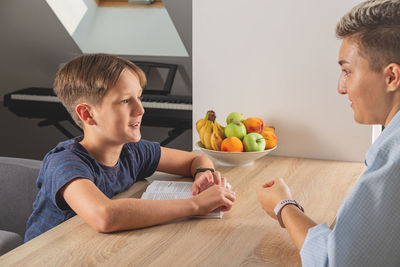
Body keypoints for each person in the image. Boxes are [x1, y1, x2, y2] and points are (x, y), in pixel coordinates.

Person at [24, 54, 236, 242]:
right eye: (125, 101)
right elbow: (105, 216)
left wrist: (204, 175)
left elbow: (194, 160)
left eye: (139, 97)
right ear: (87, 114)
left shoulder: (132, 151)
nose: (141, 109)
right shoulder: (64, 163)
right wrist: (196, 205)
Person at [256, 0, 400, 266]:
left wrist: (283, 206)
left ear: (391, 76)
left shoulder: (393, 160)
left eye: (347, 71)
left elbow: (332, 261)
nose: (340, 87)